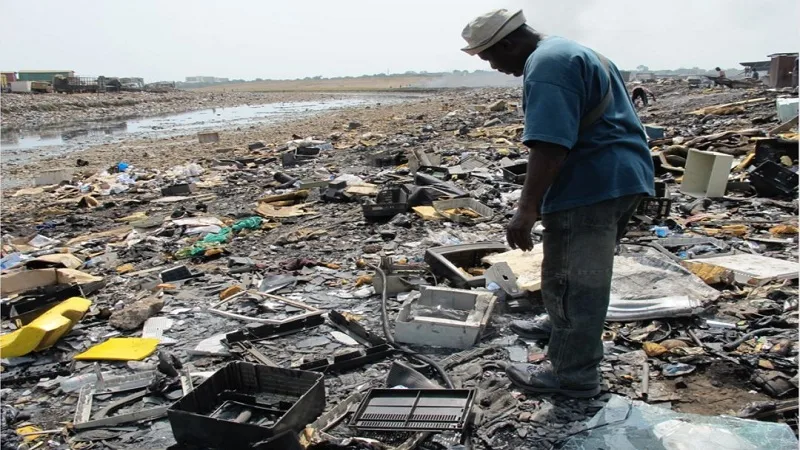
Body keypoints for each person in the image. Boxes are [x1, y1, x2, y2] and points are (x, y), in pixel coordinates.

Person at [461, 9, 654, 398]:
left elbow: (548, 144)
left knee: (575, 281)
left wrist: (526, 210)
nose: (494, 66)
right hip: (623, 176)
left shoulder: (546, 64)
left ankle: (572, 375)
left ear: (509, 44)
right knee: (574, 268)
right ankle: (561, 326)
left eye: (490, 57)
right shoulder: (574, 52)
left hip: (592, 182)